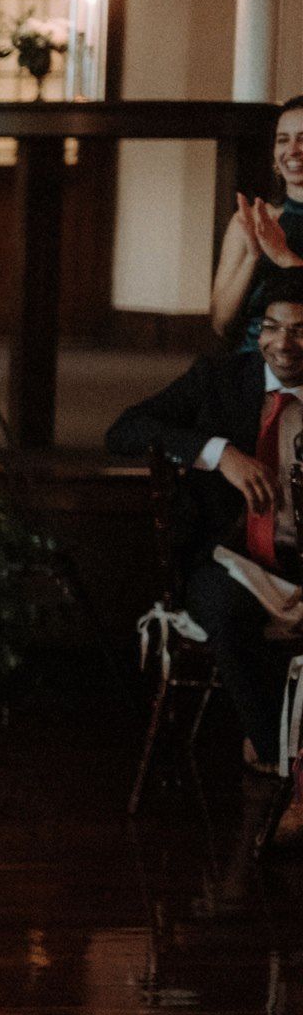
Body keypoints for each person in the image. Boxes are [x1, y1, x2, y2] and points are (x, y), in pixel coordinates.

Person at [108, 276, 303, 790]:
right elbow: (124, 430)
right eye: (272, 328)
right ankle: (277, 755)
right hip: (229, 556)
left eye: (301, 330)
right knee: (223, 608)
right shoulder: (220, 379)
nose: (284, 343)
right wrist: (219, 455)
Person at [211, 95, 303, 349]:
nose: (292, 150)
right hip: (251, 365)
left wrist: (285, 258)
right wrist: (252, 257)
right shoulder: (253, 221)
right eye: (283, 139)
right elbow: (221, 325)